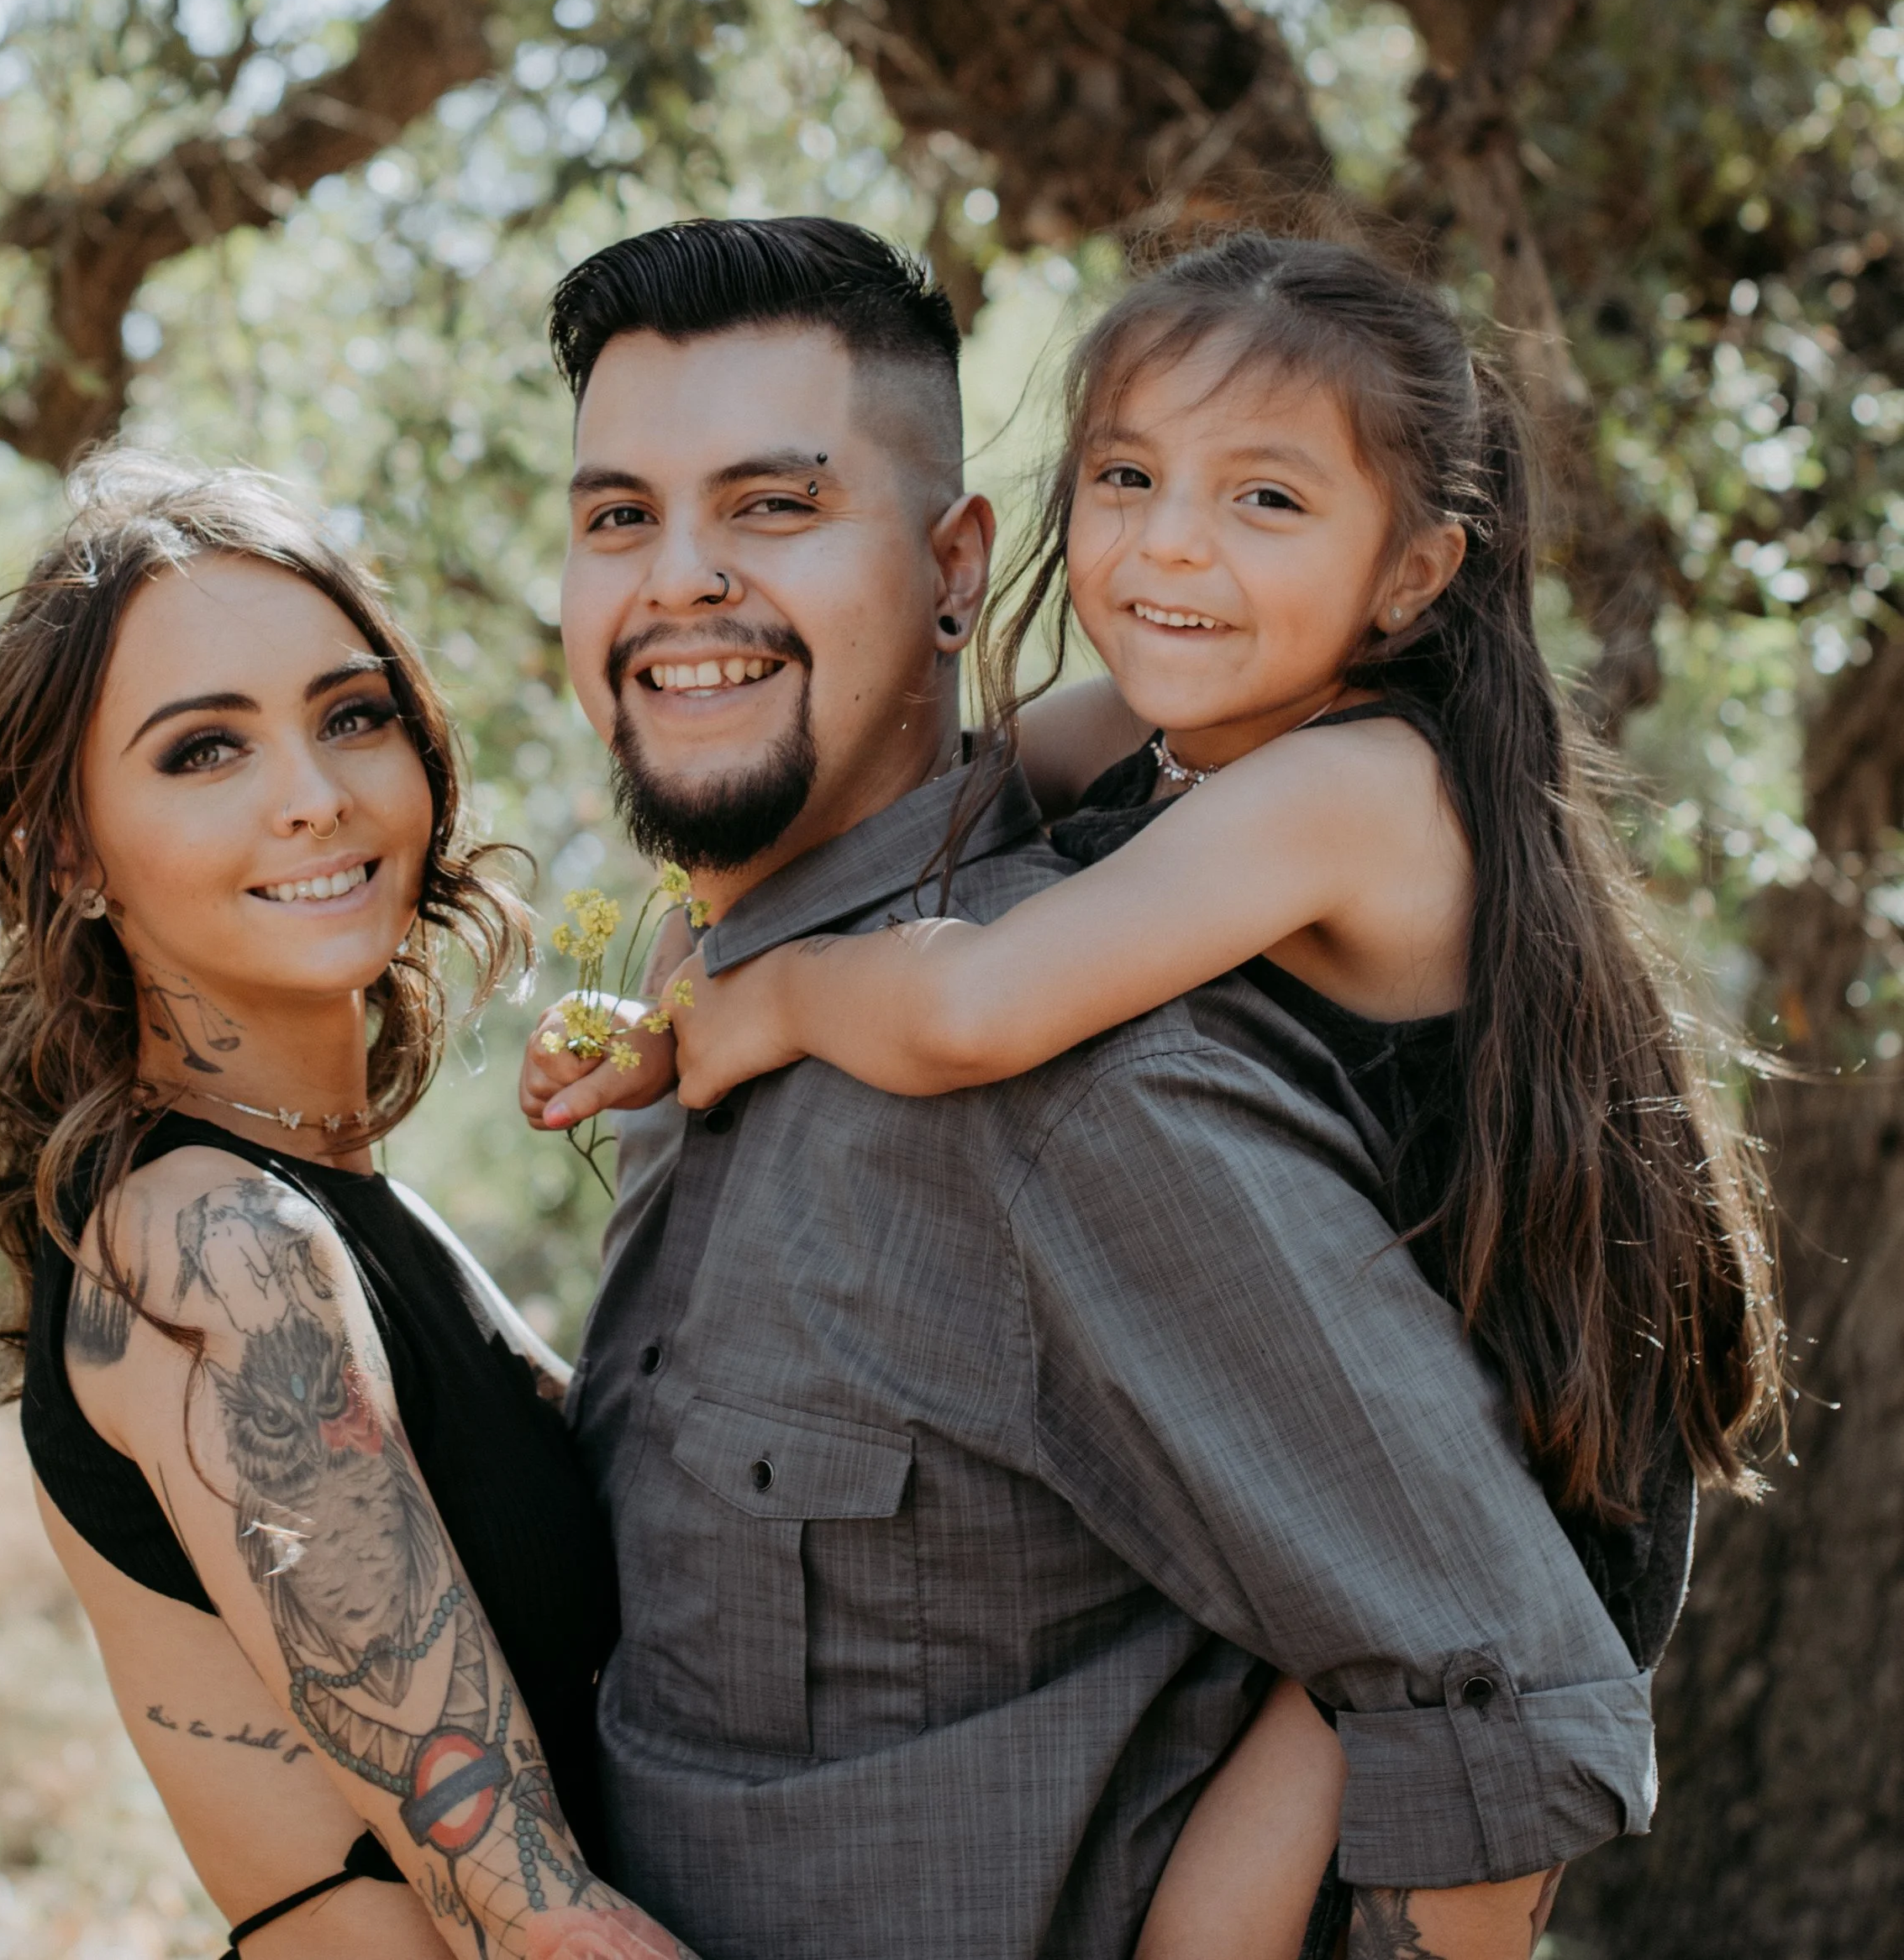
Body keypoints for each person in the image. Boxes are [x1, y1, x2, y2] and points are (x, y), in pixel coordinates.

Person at [539, 233, 1781, 1957]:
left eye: (1265, 498)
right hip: (1401, 1444)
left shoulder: (1345, 793)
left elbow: (970, 997)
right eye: (1127, 478)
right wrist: (681, 985)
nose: (1173, 543)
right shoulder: (1173, 719)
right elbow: (957, 780)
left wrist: (763, 1007)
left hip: (1543, 1459)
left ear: (1415, 571)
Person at [0, 453, 691, 1960]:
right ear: (69, 854)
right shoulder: (216, 1243)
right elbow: (539, 1926)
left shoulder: (334, 1209)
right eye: (205, 751)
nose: (316, 798)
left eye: (351, 716)